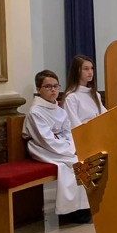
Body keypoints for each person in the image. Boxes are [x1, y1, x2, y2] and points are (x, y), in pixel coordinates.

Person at [23, 69, 92, 224]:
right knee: (70, 165)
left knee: (80, 161)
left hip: (62, 148)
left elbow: (69, 132)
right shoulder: (35, 112)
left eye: (56, 86)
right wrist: (68, 151)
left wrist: (71, 147)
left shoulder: (60, 110)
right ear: (38, 89)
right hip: (42, 149)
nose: (53, 90)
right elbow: (46, 139)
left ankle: (82, 208)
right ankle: (68, 212)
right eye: (48, 87)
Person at [63, 55, 106, 128]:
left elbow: (105, 116)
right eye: (86, 69)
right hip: (83, 133)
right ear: (77, 71)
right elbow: (74, 125)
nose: (90, 72)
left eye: (92, 68)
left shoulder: (95, 94)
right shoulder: (71, 97)